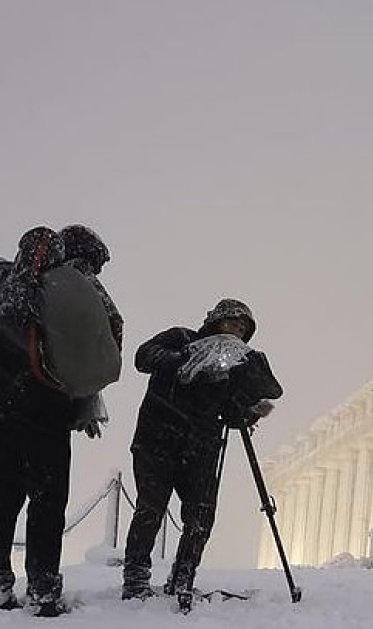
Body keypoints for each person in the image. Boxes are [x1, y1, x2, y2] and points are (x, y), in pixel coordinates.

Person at [121, 299, 281, 605]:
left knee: (201, 515)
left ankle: (183, 578)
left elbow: (231, 414)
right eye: (234, 322)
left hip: (201, 448)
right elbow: (143, 357)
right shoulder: (181, 338)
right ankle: (136, 578)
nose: (238, 330)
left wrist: (250, 411)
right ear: (217, 321)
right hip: (158, 440)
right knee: (150, 509)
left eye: (244, 328)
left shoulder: (235, 364)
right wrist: (185, 360)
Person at [0, 225, 122, 617]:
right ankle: (44, 589)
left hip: (5, 410)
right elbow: (105, 343)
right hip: (48, 409)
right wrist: (83, 400)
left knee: (4, 498)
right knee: (48, 502)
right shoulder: (75, 288)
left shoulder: (6, 281)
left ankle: (1, 583)